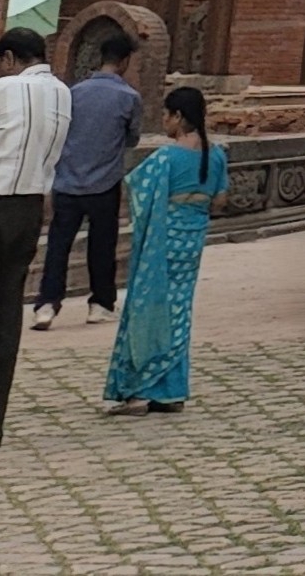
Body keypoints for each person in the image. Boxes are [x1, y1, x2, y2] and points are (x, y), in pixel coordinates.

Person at [101, 86, 229, 417]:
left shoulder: (166, 158)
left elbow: (137, 191)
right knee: (180, 310)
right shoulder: (215, 155)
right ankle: (171, 391)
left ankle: (138, 392)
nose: (164, 120)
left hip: (164, 241)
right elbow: (219, 200)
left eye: (167, 114)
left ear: (178, 117)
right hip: (193, 240)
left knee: (149, 307)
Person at [34, 36, 142, 331]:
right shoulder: (129, 97)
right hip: (104, 183)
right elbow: (132, 138)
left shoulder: (74, 92)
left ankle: (46, 304)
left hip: (67, 180)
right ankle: (100, 304)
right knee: (102, 245)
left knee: (59, 245)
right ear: (124, 62)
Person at [0, 27, 72, 442]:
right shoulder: (63, 93)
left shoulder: (7, 89)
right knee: (7, 313)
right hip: (29, 207)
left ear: (9, 59)